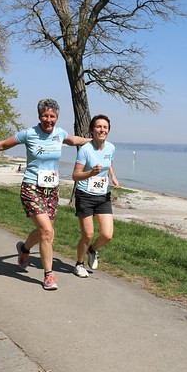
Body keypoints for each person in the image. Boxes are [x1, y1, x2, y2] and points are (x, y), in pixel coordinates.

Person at [0, 99, 89, 291]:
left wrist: (95, 140)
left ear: (57, 118)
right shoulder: (29, 133)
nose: (49, 119)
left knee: (44, 231)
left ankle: (24, 249)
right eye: (45, 115)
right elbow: (4, 145)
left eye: (52, 116)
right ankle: (49, 275)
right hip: (31, 187)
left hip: (52, 189)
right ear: (39, 116)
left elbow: (73, 140)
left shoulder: (59, 134)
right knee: (47, 232)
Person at [70, 114, 120, 278]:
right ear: (92, 130)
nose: (102, 130)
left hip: (103, 196)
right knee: (88, 234)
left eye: (105, 127)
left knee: (107, 235)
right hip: (85, 195)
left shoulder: (111, 148)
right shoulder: (85, 150)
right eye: (98, 127)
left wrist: (112, 176)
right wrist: (91, 173)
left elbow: (109, 164)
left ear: (109, 130)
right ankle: (79, 264)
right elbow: (75, 175)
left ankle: (92, 250)